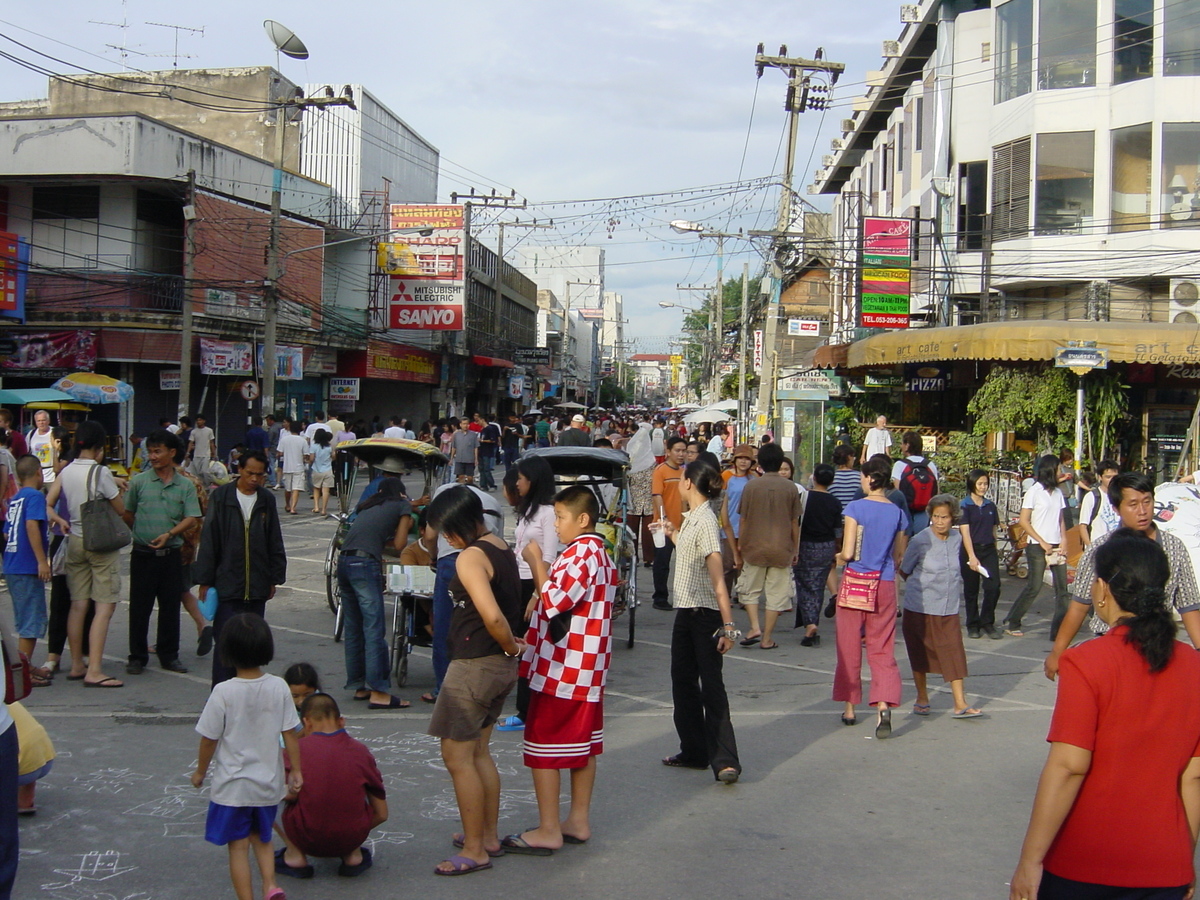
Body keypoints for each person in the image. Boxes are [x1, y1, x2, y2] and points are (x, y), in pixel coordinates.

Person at [1009, 530, 1200, 900]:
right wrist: (1184, 860)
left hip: (1086, 862)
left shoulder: (1087, 662)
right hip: (1164, 865)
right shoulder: (1193, 667)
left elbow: (1068, 766)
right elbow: (1193, 778)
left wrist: (1030, 860)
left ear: (1102, 589)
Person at [505, 485, 618, 852]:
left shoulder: (581, 553)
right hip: (585, 668)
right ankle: (577, 820)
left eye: (561, 517)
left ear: (582, 519)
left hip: (564, 668)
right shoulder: (599, 553)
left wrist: (535, 560)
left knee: (543, 747)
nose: (556, 525)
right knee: (581, 748)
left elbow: (554, 601)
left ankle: (549, 828)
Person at [424, 487, 525, 876]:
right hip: (495, 665)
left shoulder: (470, 557)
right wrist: (509, 651)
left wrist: (511, 647)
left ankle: (474, 848)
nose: (446, 540)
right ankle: (487, 835)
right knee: (480, 752)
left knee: (457, 756)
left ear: (464, 524)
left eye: (448, 532)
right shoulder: (499, 545)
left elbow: (494, 617)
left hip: (475, 665)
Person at [1045, 471, 1200, 680]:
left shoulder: (1174, 548)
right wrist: (1057, 652)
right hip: (1109, 647)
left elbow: (1189, 606)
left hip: (1157, 648)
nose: (1143, 511)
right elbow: (1079, 606)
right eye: (1133, 504)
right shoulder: (1100, 550)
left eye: (1147, 502)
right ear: (1117, 508)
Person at [192, 614, 302, 900]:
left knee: (238, 846)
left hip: (234, 787)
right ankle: (270, 885)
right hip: (268, 784)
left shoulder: (224, 692)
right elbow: (290, 733)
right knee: (263, 838)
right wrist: (297, 771)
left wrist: (200, 772)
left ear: (226, 651)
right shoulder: (279, 686)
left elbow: (209, 739)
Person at [658, 460, 741, 783]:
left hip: (705, 616)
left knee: (712, 689)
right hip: (686, 612)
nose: (679, 484)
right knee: (683, 684)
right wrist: (672, 533)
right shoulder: (692, 519)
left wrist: (729, 625)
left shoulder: (706, 520)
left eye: (682, 479)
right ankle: (693, 751)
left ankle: (725, 760)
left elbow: (718, 579)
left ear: (690, 483)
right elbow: (692, 553)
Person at [193, 451, 287, 686]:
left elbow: (274, 539)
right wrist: (205, 579)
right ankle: (222, 693)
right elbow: (209, 538)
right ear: (239, 470)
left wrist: (274, 578)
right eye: (250, 473)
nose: (254, 479)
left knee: (253, 643)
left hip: (257, 584)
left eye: (260, 474)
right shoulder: (222, 497)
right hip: (227, 583)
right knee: (225, 642)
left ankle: (248, 691)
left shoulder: (266, 499)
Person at [44, 421, 127, 689]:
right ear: (99, 446)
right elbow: (120, 509)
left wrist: (59, 518)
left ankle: (77, 663)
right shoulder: (101, 472)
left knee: (78, 604)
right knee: (104, 606)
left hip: (74, 541)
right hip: (100, 545)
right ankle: (95, 669)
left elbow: (48, 502)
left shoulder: (66, 471)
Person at [833, 456, 908, 737]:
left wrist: (838, 557)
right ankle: (884, 705)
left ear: (868, 478)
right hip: (885, 583)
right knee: (882, 647)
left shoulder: (855, 507)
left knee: (849, 645)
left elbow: (849, 552)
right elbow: (898, 554)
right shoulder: (897, 512)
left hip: (856, 582)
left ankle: (850, 707)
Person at [275, 693, 387, 880]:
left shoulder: (296, 751)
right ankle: (353, 854)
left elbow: (288, 794)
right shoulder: (360, 751)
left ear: (306, 723)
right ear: (342, 721)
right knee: (357, 785)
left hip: (306, 838)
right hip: (351, 836)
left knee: (270, 789)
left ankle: (295, 855)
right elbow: (382, 813)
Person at [121, 430, 201, 676]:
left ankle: (169, 655)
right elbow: (128, 512)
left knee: (169, 608)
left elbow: (192, 517)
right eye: (150, 451)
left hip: (171, 555)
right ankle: (137, 657)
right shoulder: (139, 482)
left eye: (158, 451)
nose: (152, 456)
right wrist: (143, 532)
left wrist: (169, 533)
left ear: (172, 452)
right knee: (139, 608)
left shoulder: (185, 485)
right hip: (143, 555)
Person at [899, 495, 983, 718]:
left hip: (949, 607)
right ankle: (922, 697)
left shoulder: (957, 539)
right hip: (920, 606)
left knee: (954, 652)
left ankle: (960, 703)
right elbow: (905, 569)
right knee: (919, 654)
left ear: (952, 518)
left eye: (944, 517)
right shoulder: (919, 540)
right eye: (935, 516)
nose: (939, 521)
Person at [425, 479, 505, 704]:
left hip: (451, 560)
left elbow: (431, 536)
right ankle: (478, 685)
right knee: (477, 624)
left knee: (445, 627)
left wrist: (433, 557)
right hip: (488, 559)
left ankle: (443, 688)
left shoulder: (444, 492)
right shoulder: (494, 502)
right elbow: (497, 538)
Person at [338, 479, 412, 709]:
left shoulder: (368, 506)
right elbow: (400, 545)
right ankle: (379, 691)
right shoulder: (402, 506)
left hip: (343, 561)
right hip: (364, 563)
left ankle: (358, 685)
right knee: (373, 628)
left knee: (353, 627)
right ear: (401, 493)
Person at [733, 443, 803, 650]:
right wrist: (795, 548)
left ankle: (754, 627)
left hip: (754, 545)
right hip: (781, 547)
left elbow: (743, 519)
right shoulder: (790, 487)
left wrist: (741, 544)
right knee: (776, 594)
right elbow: (794, 522)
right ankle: (767, 638)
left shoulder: (751, 486)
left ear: (760, 463)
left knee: (750, 591)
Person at [3, 455, 60, 687]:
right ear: (39, 473)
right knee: (31, 622)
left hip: (12, 563)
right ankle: (20, 673)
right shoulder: (35, 496)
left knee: (25, 618)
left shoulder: (16, 498)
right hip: (27, 566)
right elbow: (31, 525)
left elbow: (8, 533)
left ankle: (24, 666)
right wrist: (41, 561)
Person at [1003, 454, 1070, 639]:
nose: (1060, 472)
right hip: (1037, 545)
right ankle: (1013, 620)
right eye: (1058, 469)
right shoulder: (1034, 491)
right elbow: (1024, 521)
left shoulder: (1057, 492)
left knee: (1062, 589)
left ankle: (1058, 631)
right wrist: (1042, 541)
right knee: (1035, 585)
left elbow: (1061, 519)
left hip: (1056, 545)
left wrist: (1064, 540)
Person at [793, 463, 841, 647]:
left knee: (804, 585)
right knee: (818, 587)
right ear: (831, 481)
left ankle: (810, 623)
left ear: (814, 477)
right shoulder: (834, 502)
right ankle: (812, 622)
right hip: (826, 547)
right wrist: (837, 547)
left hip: (805, 545)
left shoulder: (805, 498)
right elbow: (837, 530)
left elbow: (796, 522)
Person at [958, 469, 1003, 640]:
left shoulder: (990, 506)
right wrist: (971, 556)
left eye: (985, 484)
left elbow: (994, 530)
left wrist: (995, 548)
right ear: (972, 484)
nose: (983, 487)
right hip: (971, 550)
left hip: (988, 550)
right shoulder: (965, 506)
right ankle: (972, 624)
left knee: (993, 586)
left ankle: (987, 621)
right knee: (971, 590)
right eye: (980, 484)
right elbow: (965, 532)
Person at [651, 435, 687, 610]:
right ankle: (660, 597)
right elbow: (657, 495)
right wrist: (663, 518)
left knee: (684, 564)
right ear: (668, 452)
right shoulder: (660, 471)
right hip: (662, 526)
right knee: (662, 563)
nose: (681, 454)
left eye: (684, 451)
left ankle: (683, 597)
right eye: (677, 451)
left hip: (681, 525)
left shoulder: (684, 472)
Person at [9, 700, 55, 815]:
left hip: (15, 769)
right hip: (44, 759)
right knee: (22, 742)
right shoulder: (4, 691)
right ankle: (25, 800)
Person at [890, 431, 939, 535]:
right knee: (920, 540)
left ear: (907, 445)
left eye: (902, 443)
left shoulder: (900, 465)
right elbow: (937, 490)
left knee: (904, 539)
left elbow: (897, 490)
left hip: (905, 509)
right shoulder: (930, 465)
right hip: (924, 509)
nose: (901, 446)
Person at [625, 422, 658, 568]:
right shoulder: (652, 461)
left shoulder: (630, 462)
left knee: (633, 531)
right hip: (648, 501)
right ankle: (648, 558)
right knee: (647, 532)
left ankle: (633, 556)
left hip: (633, 502)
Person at [1078, 459, 1119, 546]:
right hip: (1097, 549)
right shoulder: (1092, 497)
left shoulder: (1122, 496)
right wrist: (1090, 547)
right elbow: (1083, 526)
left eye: (1114, 477)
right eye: (1108, 477)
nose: (1112, 480)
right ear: (1100, 477)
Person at [276, 421, 308, 515]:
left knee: (288, 489)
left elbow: (279, 453)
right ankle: (293, 508)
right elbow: (306, 455)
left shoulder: (284, 439)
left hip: (287, 467)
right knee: (296, 489)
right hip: (298, 467)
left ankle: (287, 504)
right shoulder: (303, 440)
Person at [829, 443, 864, 510]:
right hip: (855, 517)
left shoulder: (831, 477)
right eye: (853, 457)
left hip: (835, 517)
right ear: (849, 457)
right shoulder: (860, 477)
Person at [307, 429, 334, 516]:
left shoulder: (314, 446)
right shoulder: (329, 447)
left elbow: (311, 459)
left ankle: (316, 507)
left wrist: (309, 462)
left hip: (316, 469)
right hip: (328, 469)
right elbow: (334, 456)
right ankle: (324, 509)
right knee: (326, 490)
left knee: (316, 488)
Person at [187, 414, 217, 486]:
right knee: (197, 473)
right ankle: (201, 486)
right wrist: (187, 452)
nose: (198, 422)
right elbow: (191, 443)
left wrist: (213, 453)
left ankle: (208, 484)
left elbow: (211, 442)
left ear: (204, 421)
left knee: (205, 471)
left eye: (200, 420)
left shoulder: (209, 430)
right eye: (197, 420)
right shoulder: (194, 432)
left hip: (206, 454)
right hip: (196, 455)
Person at [26, 410, 54, 483]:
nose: (41, 423)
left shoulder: (54, 432)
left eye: (43, 420)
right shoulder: (31, 434)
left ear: (48, 421)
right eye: (38, 421)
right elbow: (27, 452)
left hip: (52, 475)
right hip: (37, 475)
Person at [450, 417, 479, 482]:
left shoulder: (473, 435)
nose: (465, 425)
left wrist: (476, 459)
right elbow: (454, 447)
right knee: (460, 477)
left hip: (470, 459)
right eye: (464, 424)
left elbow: (476, 447)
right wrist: (451, 459)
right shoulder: (456, 435)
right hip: (459, 459)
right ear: (460, 425)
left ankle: (469, 488)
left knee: (470, 477)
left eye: (467, 424)